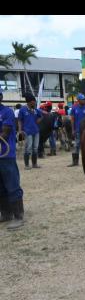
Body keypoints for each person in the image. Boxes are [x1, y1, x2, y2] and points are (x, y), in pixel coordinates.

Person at [0, 87, 25, 230]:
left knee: (12, 184)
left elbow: (5, 132)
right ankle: (6, 213)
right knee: (0, 186)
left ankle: (18, 215)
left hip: (5, 154)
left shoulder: (7, 112)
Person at [18, 93, 42, 169]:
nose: (35, 102)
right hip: (27, 132)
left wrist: (38, 120)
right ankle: (27, 165)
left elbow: (41, 116)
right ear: (29, 102)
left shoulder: (35, 110)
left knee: (35, 148)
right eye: (34, 101)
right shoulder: (22, 110)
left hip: (36, 131)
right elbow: (19, 121)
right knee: (28, 148)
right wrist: (20, 130)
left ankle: (34, 164)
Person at [68, 93, 85, 167]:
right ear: (78, 100)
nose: (84, 100)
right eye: (82, 99)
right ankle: (75, 162)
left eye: (84, 99)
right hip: (78, 130)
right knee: (77, 145)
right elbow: (72, 119)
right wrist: (73, 129)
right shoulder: (74, 108)